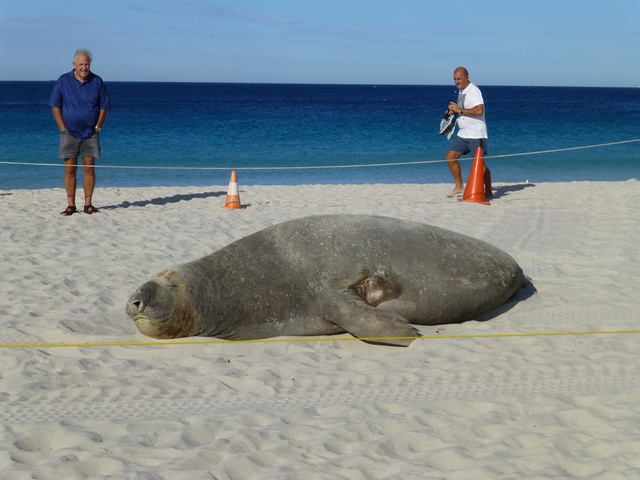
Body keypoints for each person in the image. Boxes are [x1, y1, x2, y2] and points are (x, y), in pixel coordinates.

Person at [49, 49, 111, 215]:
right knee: (70, 169)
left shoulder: (97, 81)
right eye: (81, 64)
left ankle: (88, 204)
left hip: (90, 133)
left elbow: (104, 106)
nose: (84, 67)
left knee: (89, 169)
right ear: (74, 64)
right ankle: (71, 205)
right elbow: (55, 105)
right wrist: (62, 128)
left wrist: (98, 127)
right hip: (69, 132)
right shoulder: (63, 80)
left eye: (87, 64)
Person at [444, 67, 491, 199]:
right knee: (450, 157)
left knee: (480, 165)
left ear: (467, 77)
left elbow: (479, 110)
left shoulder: (474, 90)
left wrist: (460, 110)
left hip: (476, 134)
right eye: (454, 79)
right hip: (463, 133)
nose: (456, 82)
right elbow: (462, 110)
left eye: (459, 79)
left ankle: (489, 191)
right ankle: (459, 186)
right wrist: (453, 112)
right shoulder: (461, 90)